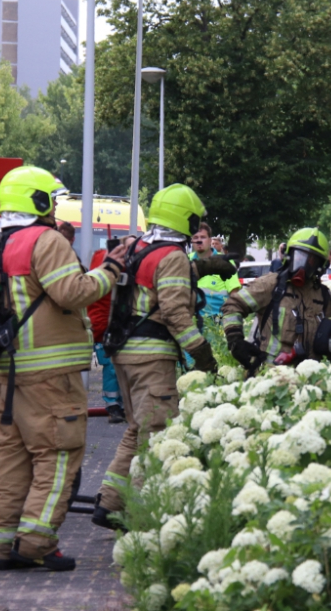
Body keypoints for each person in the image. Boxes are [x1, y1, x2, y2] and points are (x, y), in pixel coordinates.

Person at [0, 165, 127, 572]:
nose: (55, 211)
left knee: (11, 458)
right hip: (50, 374)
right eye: (51, 201)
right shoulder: (44, 240)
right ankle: (34, 543)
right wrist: (111, 269)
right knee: (58, 454)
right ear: (38, 201)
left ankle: (1, 542)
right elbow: (73, 292)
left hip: (7, 372)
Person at [93, 184, 230, 531]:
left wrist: (207, 265)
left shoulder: (137, 245)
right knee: (157, 436)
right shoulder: (172, 256)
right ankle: (142, 513)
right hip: (151, 359)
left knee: (136, 430)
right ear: (187, 218)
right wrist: (203, 356)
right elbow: (175, 312)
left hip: (123, 355)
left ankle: (110, 502)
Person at [222, 228, 331, 370]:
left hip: (310, 381)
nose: (303, 265)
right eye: (299, 256)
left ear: (320, 266)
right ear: (289, 255)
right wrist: (235, 340)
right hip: (269, 377)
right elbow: (232, 306)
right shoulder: (270, 285)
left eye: (311, 260)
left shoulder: (323, 296)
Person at [88, 243, 125, 424]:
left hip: (110, 328)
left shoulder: (99, 266)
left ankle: (117, 405)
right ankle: (114, 405)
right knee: (112, 368)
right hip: (109, 329)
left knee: (115, 368)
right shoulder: (107, 270)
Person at [189, 222, 240, 317]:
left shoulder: (224, 262)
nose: (199, 241)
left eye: (203, 237)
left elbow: (234, 295)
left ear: (209, 240)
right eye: (196, 238)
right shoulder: (186, 261)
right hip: (191, 321)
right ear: (192, 241)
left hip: (217, 321)